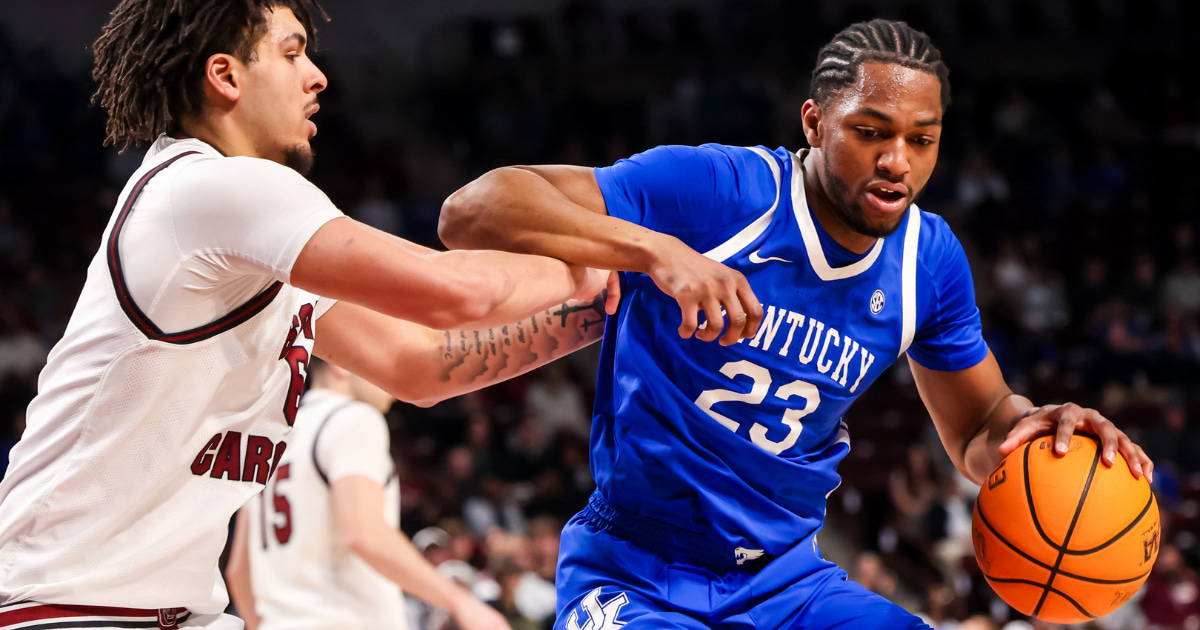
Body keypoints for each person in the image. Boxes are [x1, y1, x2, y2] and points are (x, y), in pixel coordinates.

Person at [439, 19, 1155, 629]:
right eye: (870, 132)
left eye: (922, 140)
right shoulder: (722, 192)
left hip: (786, 583)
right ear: (813, 123)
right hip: (636, 567)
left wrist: (1036, 430)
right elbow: (473, 210)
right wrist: (657, 251)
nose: (896, 161)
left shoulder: (928, 261)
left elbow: (978, 430)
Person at [0, 2, 610, 628]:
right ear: (225, 76)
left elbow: (418, 363)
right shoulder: (215, 188)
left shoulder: (245, 243)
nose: (317, 75)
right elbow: (457, 293)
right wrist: (603, 264)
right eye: (291, 53)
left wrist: (603, 309)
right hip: (66, 602)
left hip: (157, 607)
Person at [225, 359, 508, 630]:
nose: (395, 380)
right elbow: (365, 534)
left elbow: (238, 573)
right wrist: (460, 601)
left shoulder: (272, 440)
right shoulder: (352, 418)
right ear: (340, 365)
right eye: (379, 360)